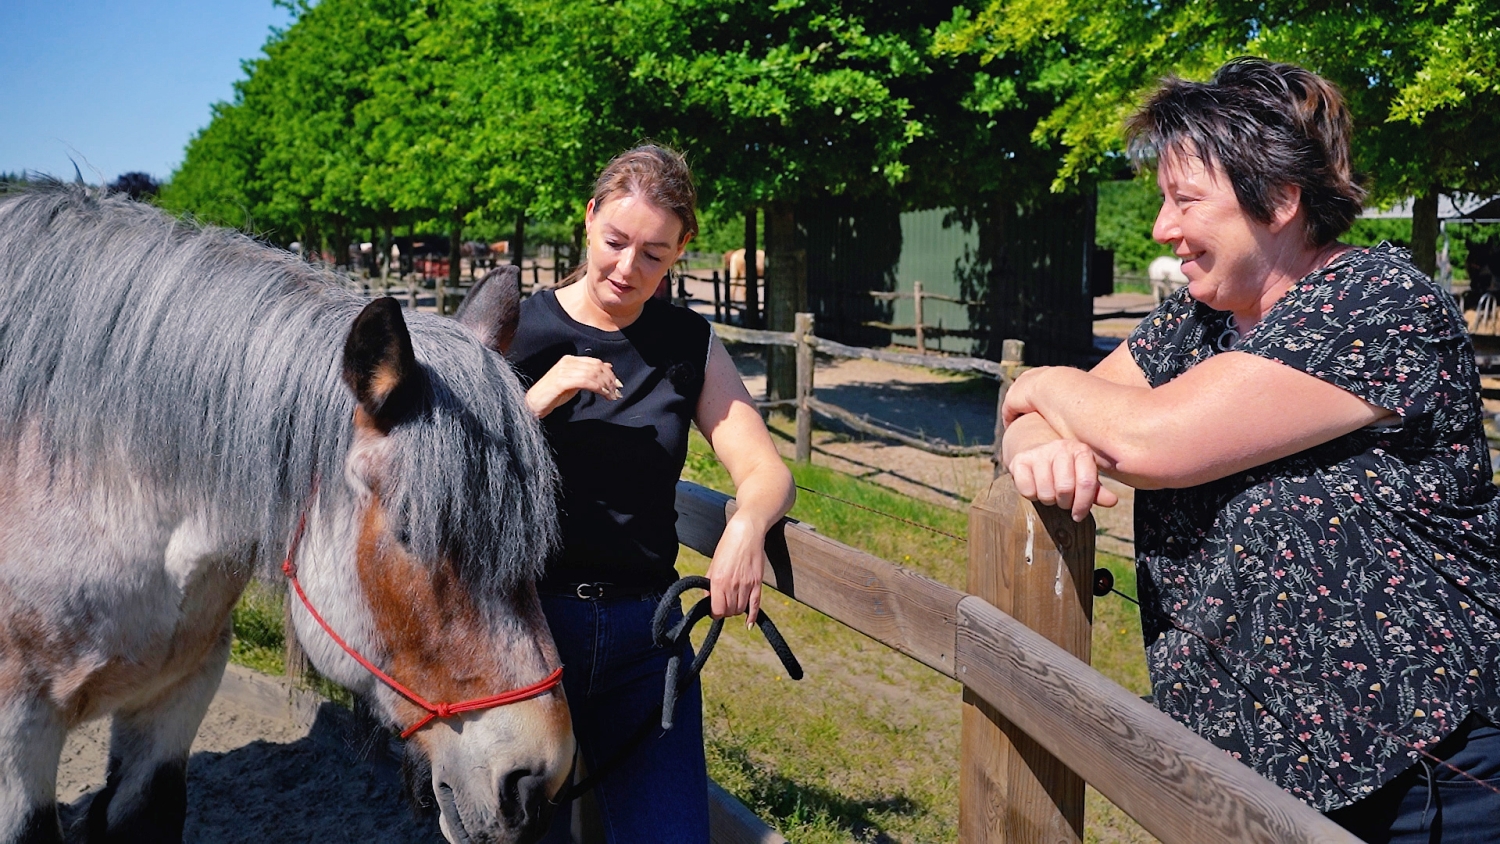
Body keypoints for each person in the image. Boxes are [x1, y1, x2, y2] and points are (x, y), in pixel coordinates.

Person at [1001, 58, 1500, 840]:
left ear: (1282, 199)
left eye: (1185, 201)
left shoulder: (1377, 303)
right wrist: (1034, 431)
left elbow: (1146, 440)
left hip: (1431, 778)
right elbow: (1058, 416)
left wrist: (1037, 383)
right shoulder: (1196, 320)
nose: (1163, 227)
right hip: (1241, 776)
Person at [505, 144, 795, 843]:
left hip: (648, 637)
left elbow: (765, 469)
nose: (628, 270)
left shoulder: (685, 341)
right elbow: (434, 457)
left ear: (683, 249)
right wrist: (535, 398)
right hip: (524, 633)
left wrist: (746, 528)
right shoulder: (514, 327)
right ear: (589, 217)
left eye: (655, 256)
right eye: (616, 242)